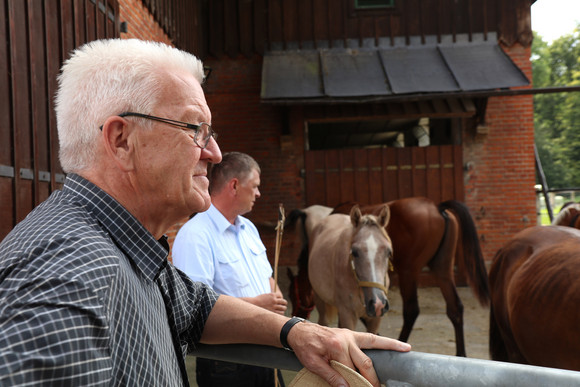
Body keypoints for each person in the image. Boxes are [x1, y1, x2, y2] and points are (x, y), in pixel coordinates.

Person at [0, 38, 410, 386]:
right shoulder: (67, 285)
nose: (213, 153)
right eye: (195, 129)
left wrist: (296, 331)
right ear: (122, 140)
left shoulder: (123, 245)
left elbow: (197, 306)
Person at [172, 151, 288, 386]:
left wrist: (275, 298)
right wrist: (258, 307)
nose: (258, 193)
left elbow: (268, 278)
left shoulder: (249, 228)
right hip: (227, 363)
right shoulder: (195, 235)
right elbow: (193, 313)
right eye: (254, 186)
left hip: (266, 352)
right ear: (234, 186)